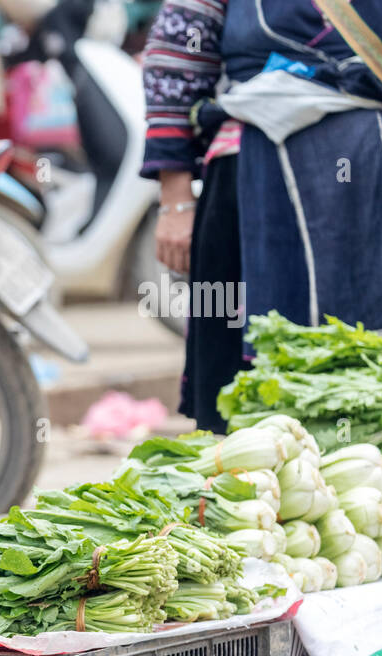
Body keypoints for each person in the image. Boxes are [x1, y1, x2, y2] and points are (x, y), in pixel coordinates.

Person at [143, 0, 382, 429]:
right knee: (241, 392)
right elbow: (174, 65)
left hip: (375, 185)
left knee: (373, 383)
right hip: (248, 195)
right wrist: (175, 199)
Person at [140, 0, 245, 432]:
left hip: (370, 174)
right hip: (247, 184)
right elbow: (173, 64)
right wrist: (176, 198)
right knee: (235, 385)